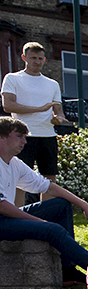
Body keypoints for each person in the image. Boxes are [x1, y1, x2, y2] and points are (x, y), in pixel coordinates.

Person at [0, 116, 88, 287]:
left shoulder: (14, 163)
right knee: (53, 230)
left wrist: (85, 206)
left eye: (25, 137)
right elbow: (2, 206)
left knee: (60, 205)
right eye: (19, 136)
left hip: (7, 217)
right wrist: (40, 222)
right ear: (2, 136)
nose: (25, 141)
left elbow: (48, 187)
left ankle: (67, 271)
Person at [1, 42, 65, 206]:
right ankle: (18, 218)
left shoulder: (52, 84)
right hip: (22, 136)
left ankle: (46, 217)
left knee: (49, 179)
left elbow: (58, 110)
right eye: (33, 58)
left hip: (48, 135)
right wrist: (39, 109)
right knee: (18, 180)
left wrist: (58, 118)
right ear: (24, 58)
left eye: (40, 58)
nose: (37, 61)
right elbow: (8, 105)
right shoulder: (12, 78)